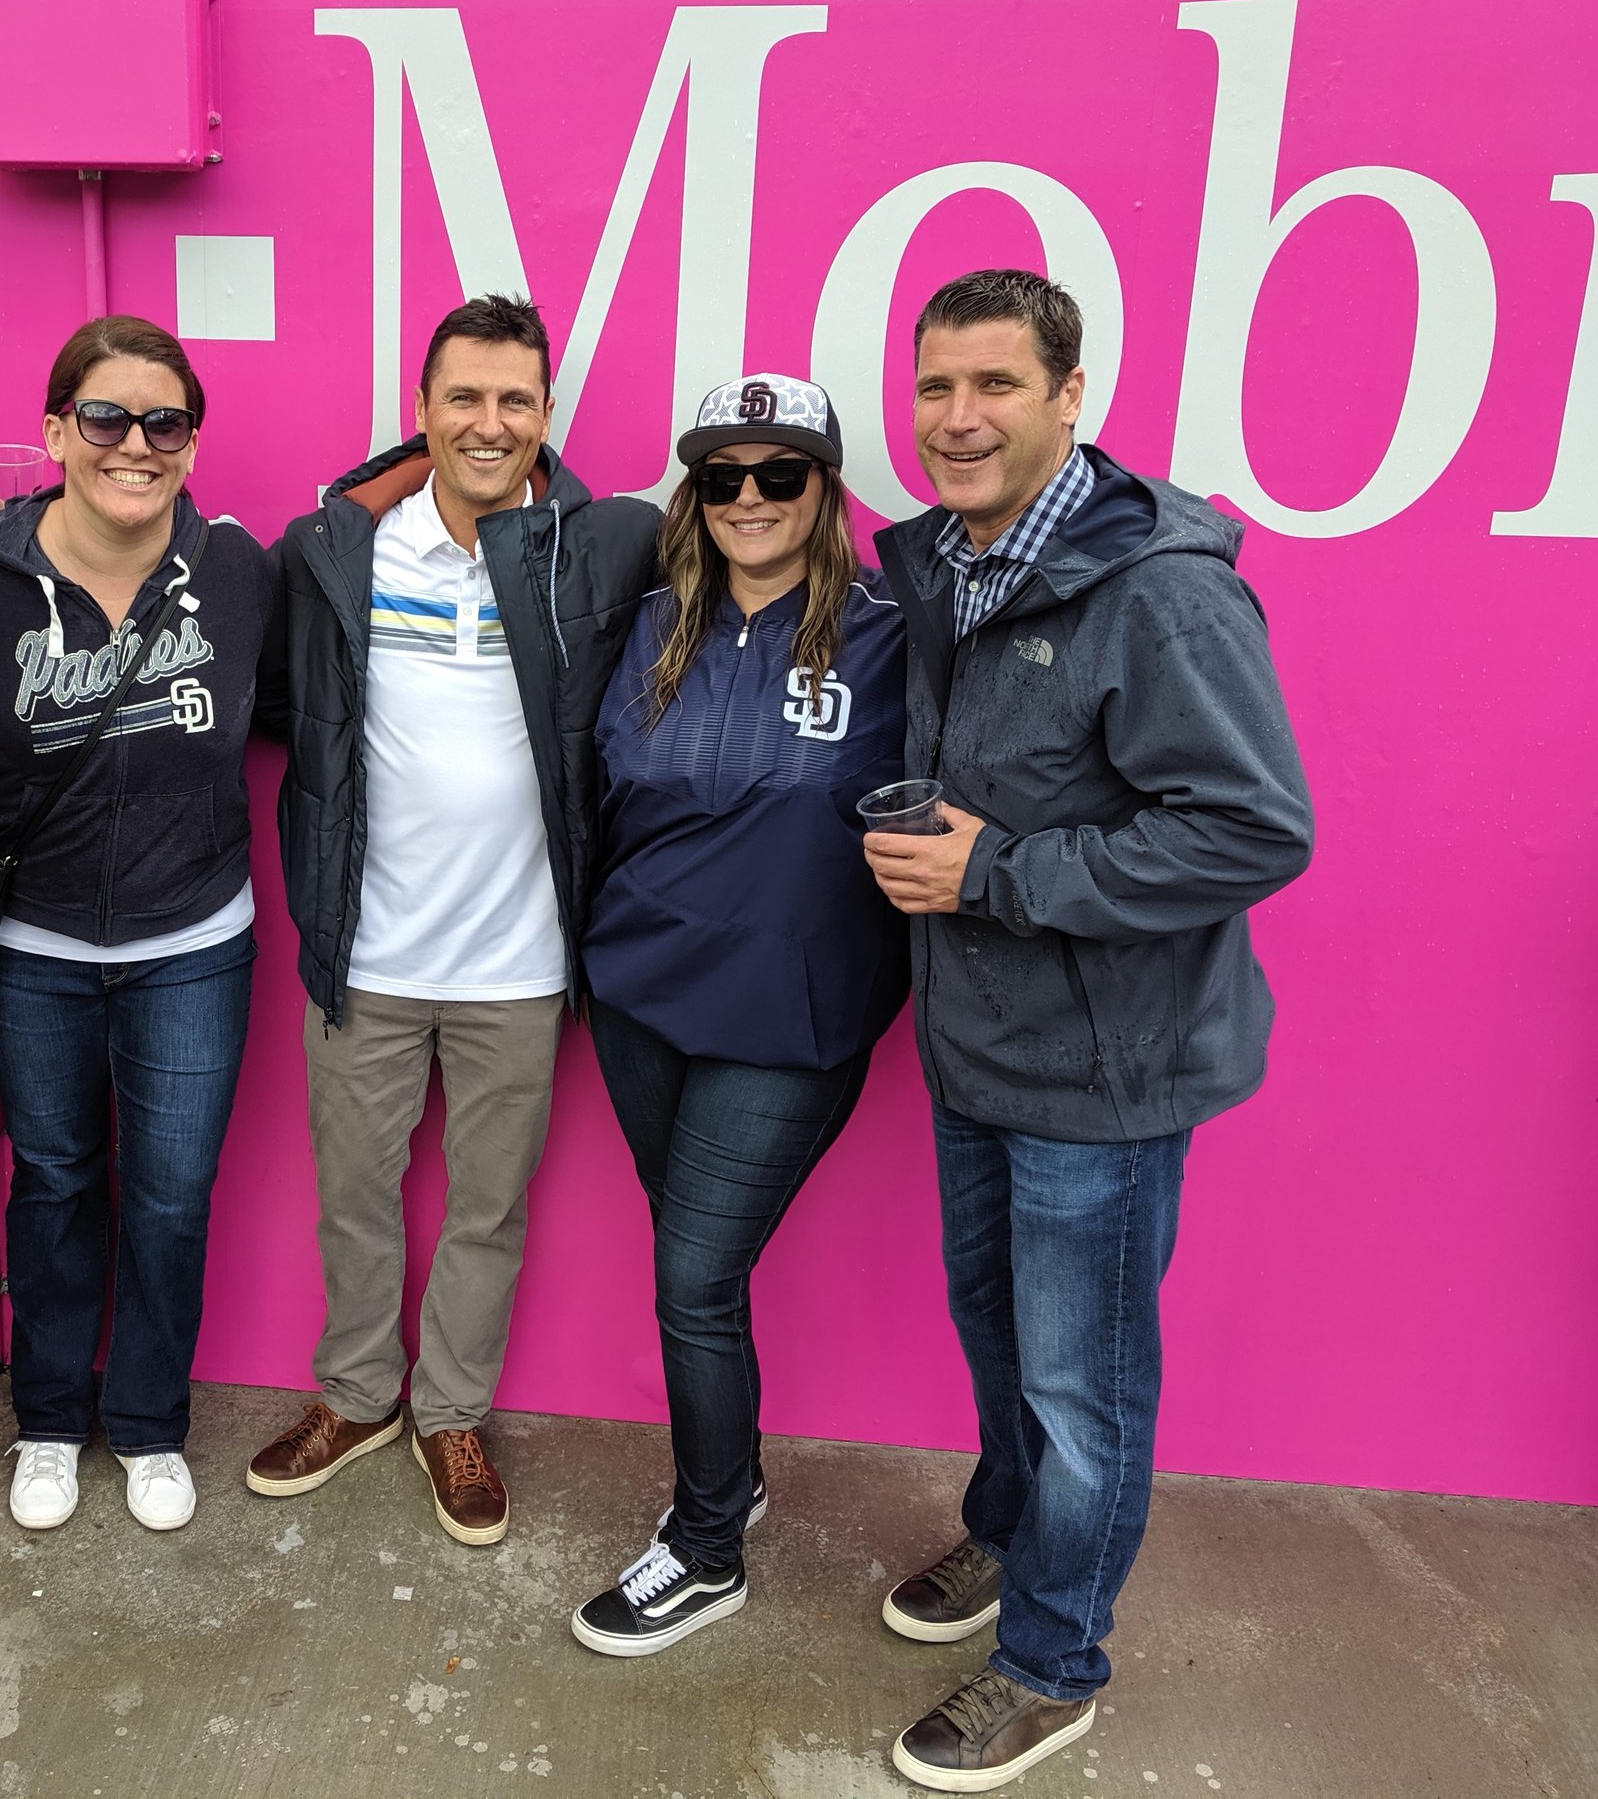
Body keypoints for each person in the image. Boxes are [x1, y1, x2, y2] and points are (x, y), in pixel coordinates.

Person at [860, 269, 1313, 1792]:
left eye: (996, 384)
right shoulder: (945, 558)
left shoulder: (1164, 586)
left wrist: (998, 869)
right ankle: (1010, 1533)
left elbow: (1255, 828)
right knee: (997, 1332)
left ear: (1072, 399)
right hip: (979, 1040)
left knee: (1082, 1379)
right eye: (936, 387)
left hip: (1106, 1071)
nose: (960, 416)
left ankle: (1053, 1661)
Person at [245, 294, 657, 1545]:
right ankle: (359, 1397)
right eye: (464, 398)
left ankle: (451, 1414)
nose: (489, 423)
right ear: (420, 412)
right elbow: (280, 714)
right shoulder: (336, 553)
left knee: (488, 1207)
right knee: (353, 1193)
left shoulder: (602, 550)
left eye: (515, 401)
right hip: (362, 952)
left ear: (546, 416)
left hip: (520, 965)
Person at [0, 316, 284, 1536]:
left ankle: (146, 1422)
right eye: (106, 418)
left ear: (191, 441)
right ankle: (49, 1419)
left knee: (173, 1195)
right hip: (34, 947)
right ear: (55, 431)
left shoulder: (236, 574)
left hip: (193, 939)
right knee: (59, 1179)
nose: (135, 443)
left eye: (164, 422)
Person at [564, 376, 909, 1656]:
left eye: (780, 474)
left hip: (795, 1013)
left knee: (695, 1275)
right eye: (722, 476)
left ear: (824, 488)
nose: (751, 499)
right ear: (693, 494)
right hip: (640, 995)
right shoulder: (649, 619)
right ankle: (735, 1476)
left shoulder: (894, 625)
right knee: (694, 1268)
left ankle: (708, 1550)